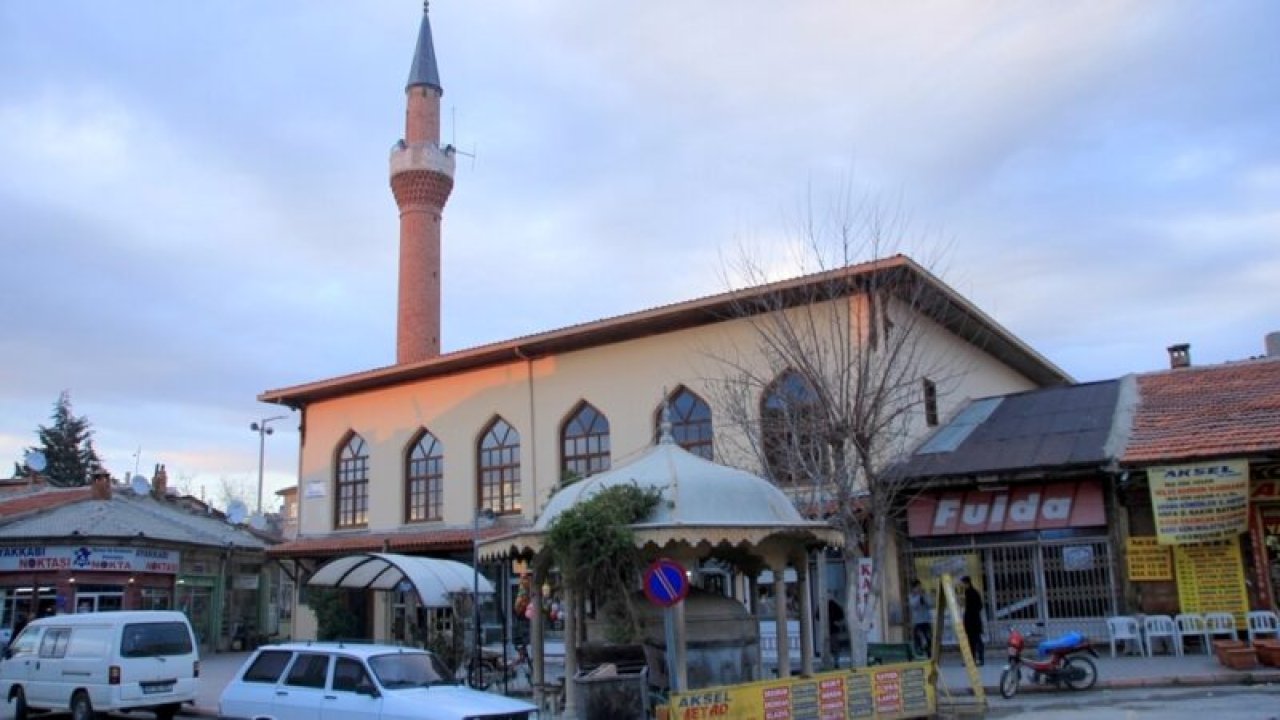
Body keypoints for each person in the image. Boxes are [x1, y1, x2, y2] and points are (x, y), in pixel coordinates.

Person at [960, 575, 985, 666]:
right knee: (973, 641)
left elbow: (977, 606)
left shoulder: (972, 593)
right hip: (972, 621)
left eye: (963, 583)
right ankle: (973, 659)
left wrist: (971, 614)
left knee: (976, 641)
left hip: (973, 622)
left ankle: (978, 659)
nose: (962, 585)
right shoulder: (969, 592)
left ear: (967, 583)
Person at [908, 580, 933, 657]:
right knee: (919, 640)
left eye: (920, 586)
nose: (919, 589)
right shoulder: (911, 596)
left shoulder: (925, 594)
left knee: (929, 639)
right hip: (918, 622)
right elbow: (913, 605)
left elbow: (930, 604)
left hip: (926, 621)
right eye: (917, 587)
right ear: (913, 588)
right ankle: (920, 654)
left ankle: (929, 654)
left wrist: (924, 596)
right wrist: (919, 597)